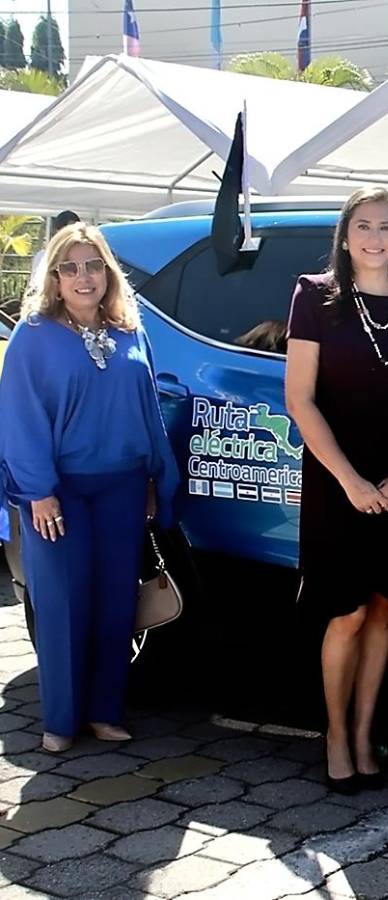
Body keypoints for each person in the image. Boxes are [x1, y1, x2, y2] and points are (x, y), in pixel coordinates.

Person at [285, 186, 388, 793]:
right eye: (363, 226)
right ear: (345, 235)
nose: (375, 237)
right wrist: (350, 481)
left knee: (382, 609)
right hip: (337, 479)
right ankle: (333, 735)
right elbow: (298, 399)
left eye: (386, 227)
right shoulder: (315, 297)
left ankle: (363, 732)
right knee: (346, 611)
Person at [0, 223, 178, 753]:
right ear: (54, 277)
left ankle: (104, 711)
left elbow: (147, 407)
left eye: (93, 265)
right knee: (61, 604)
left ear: (108, 272)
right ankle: (61, 720)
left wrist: (152, 477)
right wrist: (39, 491)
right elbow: (20, 418)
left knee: (115, 602)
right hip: (59, 492)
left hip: (123, 487)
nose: (84, 276)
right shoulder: (33, 335)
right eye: (71, 267)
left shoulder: (130, 330)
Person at [28, 211, 81, 292]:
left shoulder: (84, 256)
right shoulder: (44, 256)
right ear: (57, 231)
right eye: (67, 231)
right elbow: (35, 287)